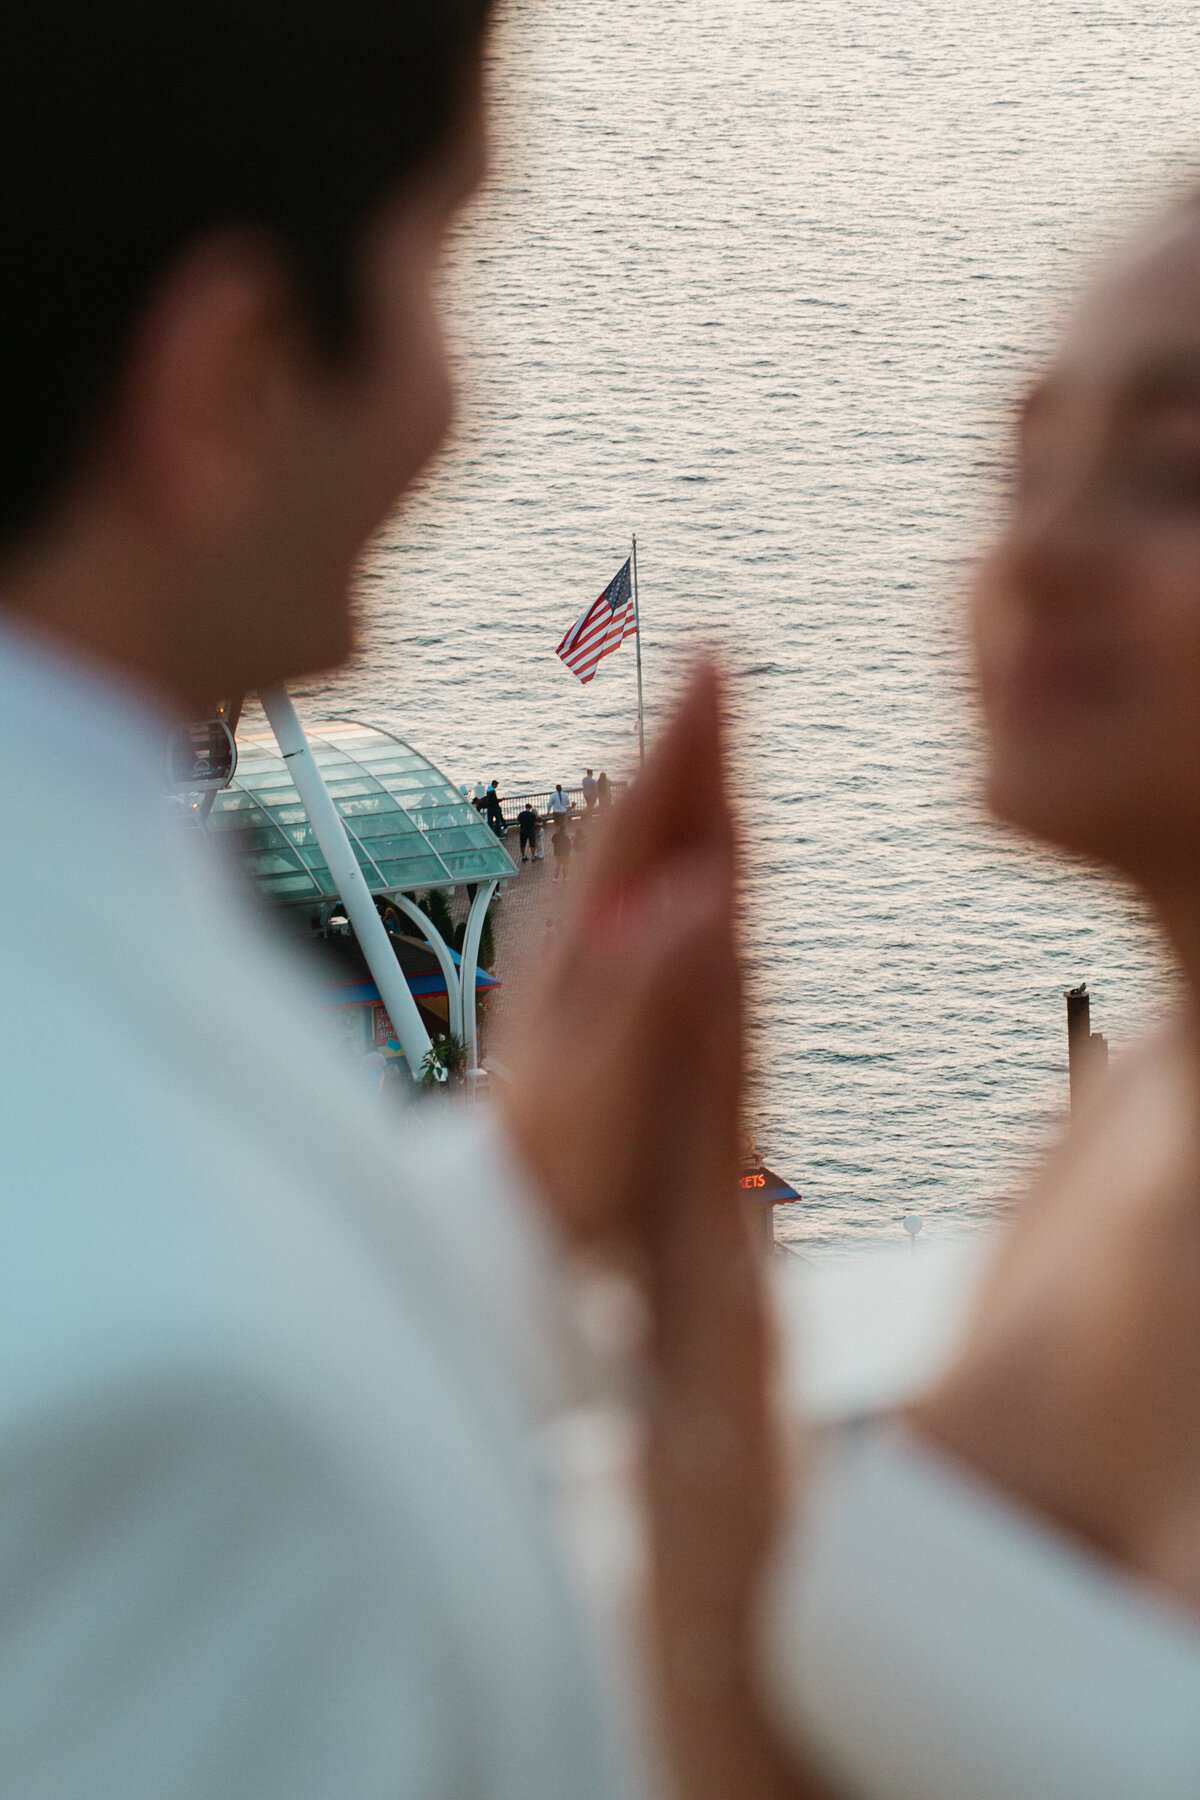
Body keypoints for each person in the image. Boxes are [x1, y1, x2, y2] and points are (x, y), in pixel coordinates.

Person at [0, 5, 744, 1797]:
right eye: (440, 258)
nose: (446, 396)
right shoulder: (185, 1419)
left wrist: (512, 1191)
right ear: (230, 379)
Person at [643, 187, 1200, 1800]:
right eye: (1025, 464)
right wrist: (687, 1222)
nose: (1038, 552)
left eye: (1174, 475)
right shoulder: (1136, 1117)